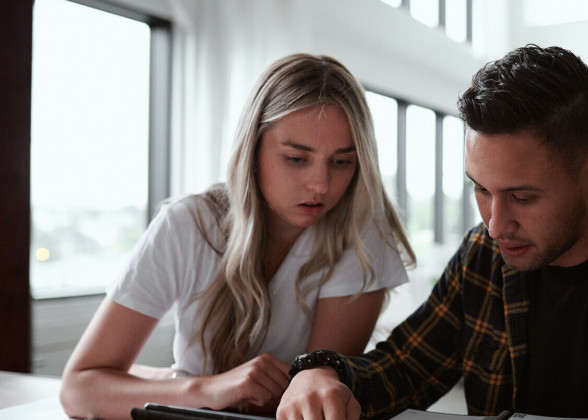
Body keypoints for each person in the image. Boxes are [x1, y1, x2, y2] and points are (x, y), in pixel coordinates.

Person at [275, 45, 588, 420]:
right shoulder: (486, 254)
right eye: (481, 190)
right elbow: (404, 368)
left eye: (522, 197)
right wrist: (325, 374)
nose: (496, 224)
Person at [59, 53, 415, 420]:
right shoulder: (187, 224)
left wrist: (179, 382)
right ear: (252, 148)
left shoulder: (361, 234)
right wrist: (208, 387)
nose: (321, 185)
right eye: (296, 158)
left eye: (342, 162)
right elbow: (78, 390)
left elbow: (311, 401)